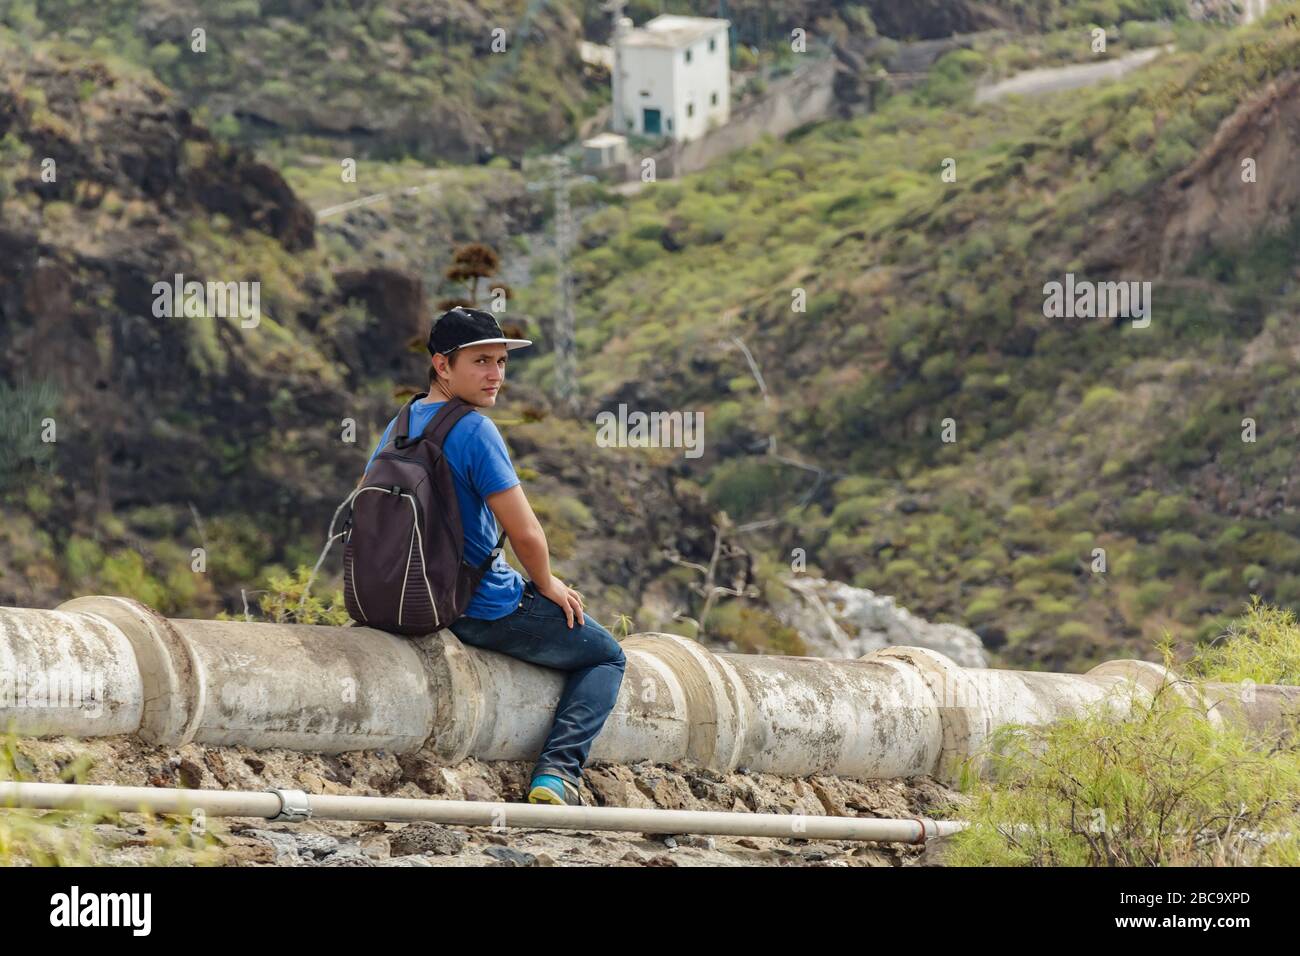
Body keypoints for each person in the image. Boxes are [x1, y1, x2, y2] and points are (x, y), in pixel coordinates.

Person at [363, 307, 626, 806]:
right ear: (443, 365)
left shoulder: (400, 424)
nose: (495, 375)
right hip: (477, 608)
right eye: (481, 361)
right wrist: (546, 583)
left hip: (406, 598)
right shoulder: (475, 430)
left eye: (502, 362)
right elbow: (524, 531)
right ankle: (556, 774)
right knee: (607, 655)